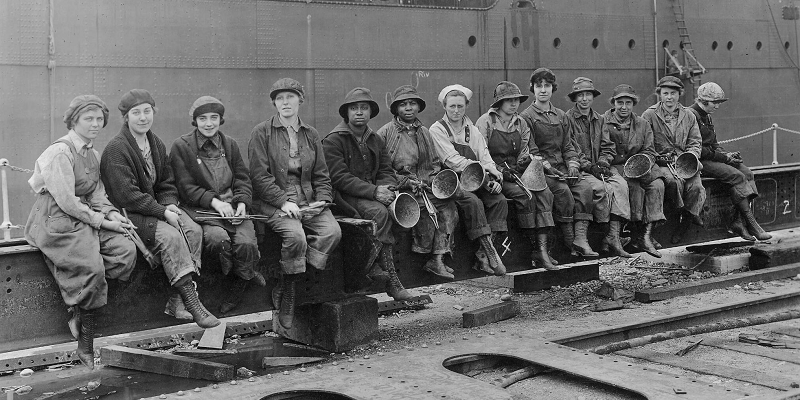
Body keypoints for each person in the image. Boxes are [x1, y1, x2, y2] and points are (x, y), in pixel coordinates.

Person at [24, 95, 137, 369]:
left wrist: (112, 215)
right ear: (74, 121)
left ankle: (80, 307)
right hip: (55, 220)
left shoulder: (93, 153)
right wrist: (103, 222)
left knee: (125, 252)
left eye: (100, 119)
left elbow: (97, 194)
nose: (95, 124)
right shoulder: (59, 153)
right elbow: (67, 202)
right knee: (91, 268)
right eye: (89, 119)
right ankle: (85, 340)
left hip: (85, 216)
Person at [101, 89, 219, 329]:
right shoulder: (116, 149)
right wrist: (163, 213)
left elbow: (166, 182)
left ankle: (177, 301)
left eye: (147, 111)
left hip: (156, 209)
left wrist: (171, 206)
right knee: (171, 237)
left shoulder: (155, 142)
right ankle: (192, 303)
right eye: (136, 113)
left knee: (193, 230)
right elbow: (129, 196)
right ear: (126, 117)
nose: (143, 117)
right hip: (132, 215)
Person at [249, 78, 342, 329]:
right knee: (296, 238)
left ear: (300, 100)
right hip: (274, 201)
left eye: (290, 97)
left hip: (308, 198)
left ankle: (292, 277)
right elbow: (259, 176)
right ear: (274, 104)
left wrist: (323, 199)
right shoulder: (261, 132)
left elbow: (322, 174)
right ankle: (289, 292)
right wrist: (282, 202)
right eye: (280, 98)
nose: (285, 102)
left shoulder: (311, 134)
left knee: (332, 232)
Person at [170, 96, 265, 315]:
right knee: (217, 241)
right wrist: (214, 202)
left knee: (247, 245)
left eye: (214, 118)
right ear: (195, 121)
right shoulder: (182, 146)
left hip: (233, 209)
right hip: (203, 210)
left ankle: (239, 285)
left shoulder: (229, 144)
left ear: (221, 120)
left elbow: (242, 177)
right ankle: (241, 273)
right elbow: (186, 187)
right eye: (202, 118)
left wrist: (242, 201)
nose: (209, 123)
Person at [323, 87, 413, 300]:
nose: (359, 112)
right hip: (346, 197)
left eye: (364, 108)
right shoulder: (334, 140)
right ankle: (387, 277)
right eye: (354, 108)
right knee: (379, 213)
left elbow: (385, 169)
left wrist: (388, 188)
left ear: (370, 112)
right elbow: (339, 178)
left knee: (403, 212)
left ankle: (378, 268)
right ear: (346, 113)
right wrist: (374, 192)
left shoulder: (374, 139)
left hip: (374, 193)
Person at [377, 85, 460, 279]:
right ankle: (421, 255)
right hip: (399, 188)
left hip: (424, 186)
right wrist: (405, 182)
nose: (408, 108)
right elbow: (382, 171)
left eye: (412, 103)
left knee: (448, 208)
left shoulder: (424, 132)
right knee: (423, 210)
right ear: (396, 109)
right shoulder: (385, 134)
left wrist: (431, 182)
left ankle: (437, 260)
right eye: (403, 104)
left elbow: (433, 164)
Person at [474, 81, 557, 270]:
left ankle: (541, 250)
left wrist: (525, 161)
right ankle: (528, 248)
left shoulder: (521, 122)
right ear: (499, 103)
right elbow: (481, 155)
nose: (513, 104)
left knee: (545, 194)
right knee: (525, 196)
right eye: (508, 100)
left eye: (516, 100)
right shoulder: (486, 121)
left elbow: (524, 150)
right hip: (494, 174)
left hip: (516, 172)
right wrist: (501, 171)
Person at [519, 68, 602, 257]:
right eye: (538, 86)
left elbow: (568, 146)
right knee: (563, 191)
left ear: (552, 88)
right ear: (532, 88)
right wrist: (550, 170)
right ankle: (570, 241)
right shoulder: (527, 117)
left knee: (585, 188)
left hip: (564, 167)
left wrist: (573, 165)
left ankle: (581, 238)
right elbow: (532, 151)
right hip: (541, 171)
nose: (543, 90)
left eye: (547, 86)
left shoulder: (561, 115)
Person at [429, 84, 508, 275]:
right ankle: (489, 251)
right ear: (445, 107)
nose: (456, 111)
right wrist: (484, 167)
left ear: (466, 106)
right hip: (451, 181)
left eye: (460, 107)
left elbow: (485, 155)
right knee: (473, 202)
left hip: (476, 177)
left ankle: (482, 255)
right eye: (452, 107)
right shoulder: (437, 129)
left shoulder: (471, 130)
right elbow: (452, 161)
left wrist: (493, 175)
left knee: (500, 201)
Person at [689, 82, 770, 241]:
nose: (717, 106)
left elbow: (713, 144)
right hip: (698, 161)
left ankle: (738, 221)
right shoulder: (691, 116)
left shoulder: (707, 116)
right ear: (703, 101)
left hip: (712, 157)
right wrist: (724, 158)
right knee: (737, 176)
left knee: (747, 173)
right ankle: (751, 224)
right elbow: (699, 150)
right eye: (715, 103)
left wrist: (729, 155)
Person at [564, 77, 631, 258]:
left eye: (588, 95)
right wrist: (589, 166)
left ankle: (613, 237)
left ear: (593, 97)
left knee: (621, 186)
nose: (585, 99)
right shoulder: (567, 119)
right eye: (580, 95)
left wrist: (603, 162)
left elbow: (608, 146)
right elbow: (569, 148)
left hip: (600, 168)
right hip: (581, 170)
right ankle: (601, 233)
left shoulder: (599, 120)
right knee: (602, 189)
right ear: (575, 98)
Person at [602, 84, 666, 257]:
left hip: (640, 166)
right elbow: (602, 150)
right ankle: (631, 232)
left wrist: (641, 164)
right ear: (613, 103)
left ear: (633, 104)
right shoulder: (603, 122)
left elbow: (650, 150)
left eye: (628, 103)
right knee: (633, 187)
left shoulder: (642, 124)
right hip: (615, 167)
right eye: (620, 102)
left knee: (658, 184)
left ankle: (646, 235)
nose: (624, 107)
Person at [642, 76, 707, 244]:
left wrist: (690, 157)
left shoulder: (689, 116)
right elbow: (645, 143)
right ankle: (676, 213)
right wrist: (657, 157)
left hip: (685, 161)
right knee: (672, 182)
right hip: (661, 162)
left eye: (673, 93)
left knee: (697, 188)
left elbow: (695, 142)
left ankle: (687, 220)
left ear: (680, 94)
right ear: (659, 95)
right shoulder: (649, 115)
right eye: (665, 93)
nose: (669, 97)